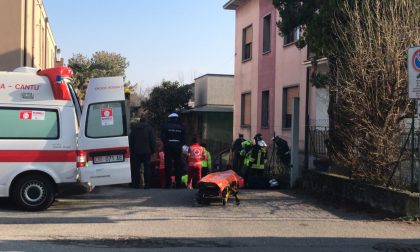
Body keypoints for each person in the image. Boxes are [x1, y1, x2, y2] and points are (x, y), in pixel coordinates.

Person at [160, 112, 186, 188]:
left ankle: (168, 184)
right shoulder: (181, 127)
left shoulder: (165, 126)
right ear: (177, 118)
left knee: (168, 166)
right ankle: (178, 183)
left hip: (168, 148)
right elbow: (183, 139)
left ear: (170, 118)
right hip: (178, 148)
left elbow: (163, 137)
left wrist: (168, 144)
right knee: (178, 165)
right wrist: (179, 145)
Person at [129, 117, 156, 189]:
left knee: (136, 168)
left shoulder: (134, 129)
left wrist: (131, 151)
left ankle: (136, 184)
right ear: (146, 121)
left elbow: (131, 141)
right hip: (147, 151)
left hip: (136, 152)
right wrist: (153, 150)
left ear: (139, 121)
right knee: (147, 168)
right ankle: (147, 185)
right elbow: (152, 140)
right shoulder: (149, 128)